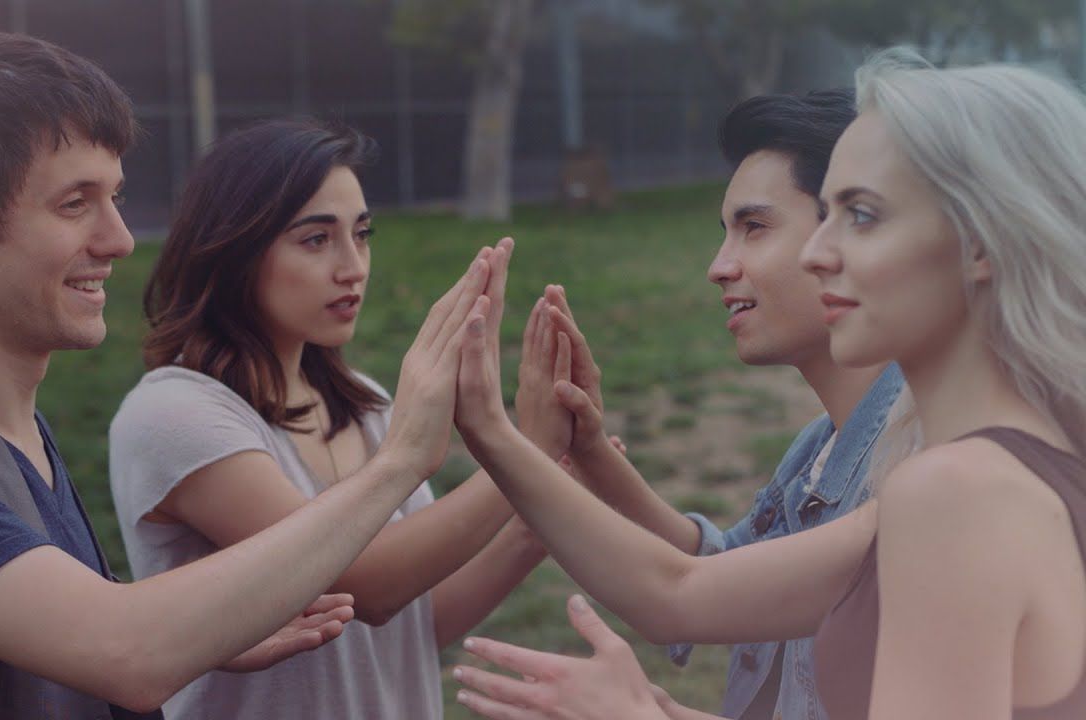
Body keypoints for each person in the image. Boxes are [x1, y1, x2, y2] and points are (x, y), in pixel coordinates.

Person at [0, 30, 501, 718]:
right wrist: (403, 459)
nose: (119, 239)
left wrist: (207, 637)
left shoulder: (13, 432)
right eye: (75, 203)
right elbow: (125, 655)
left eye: (114, 197)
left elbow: (74, 640)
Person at [452, 49, 1086, 719]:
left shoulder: (955, 491)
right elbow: (686, 590)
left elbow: (683, 592)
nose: (817, 252)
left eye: (863, 216)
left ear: (980, 242)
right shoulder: (1019, 456)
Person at [107, 118, 576, 719]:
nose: (353, 266)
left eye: (362, 234)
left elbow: (415, 620)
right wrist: (522, 452)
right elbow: (367, 585)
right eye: (315, 239)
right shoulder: (174, 416)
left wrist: (536, 517)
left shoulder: (367, 403)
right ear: (234, 249)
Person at [457, 89, 903, 720]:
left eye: (754, 227)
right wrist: (591, 455)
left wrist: (491, 432)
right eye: (725, 233)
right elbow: (726, 574)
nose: (719, 266)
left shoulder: (925, 463)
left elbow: (684, 595)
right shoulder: (820, 445)